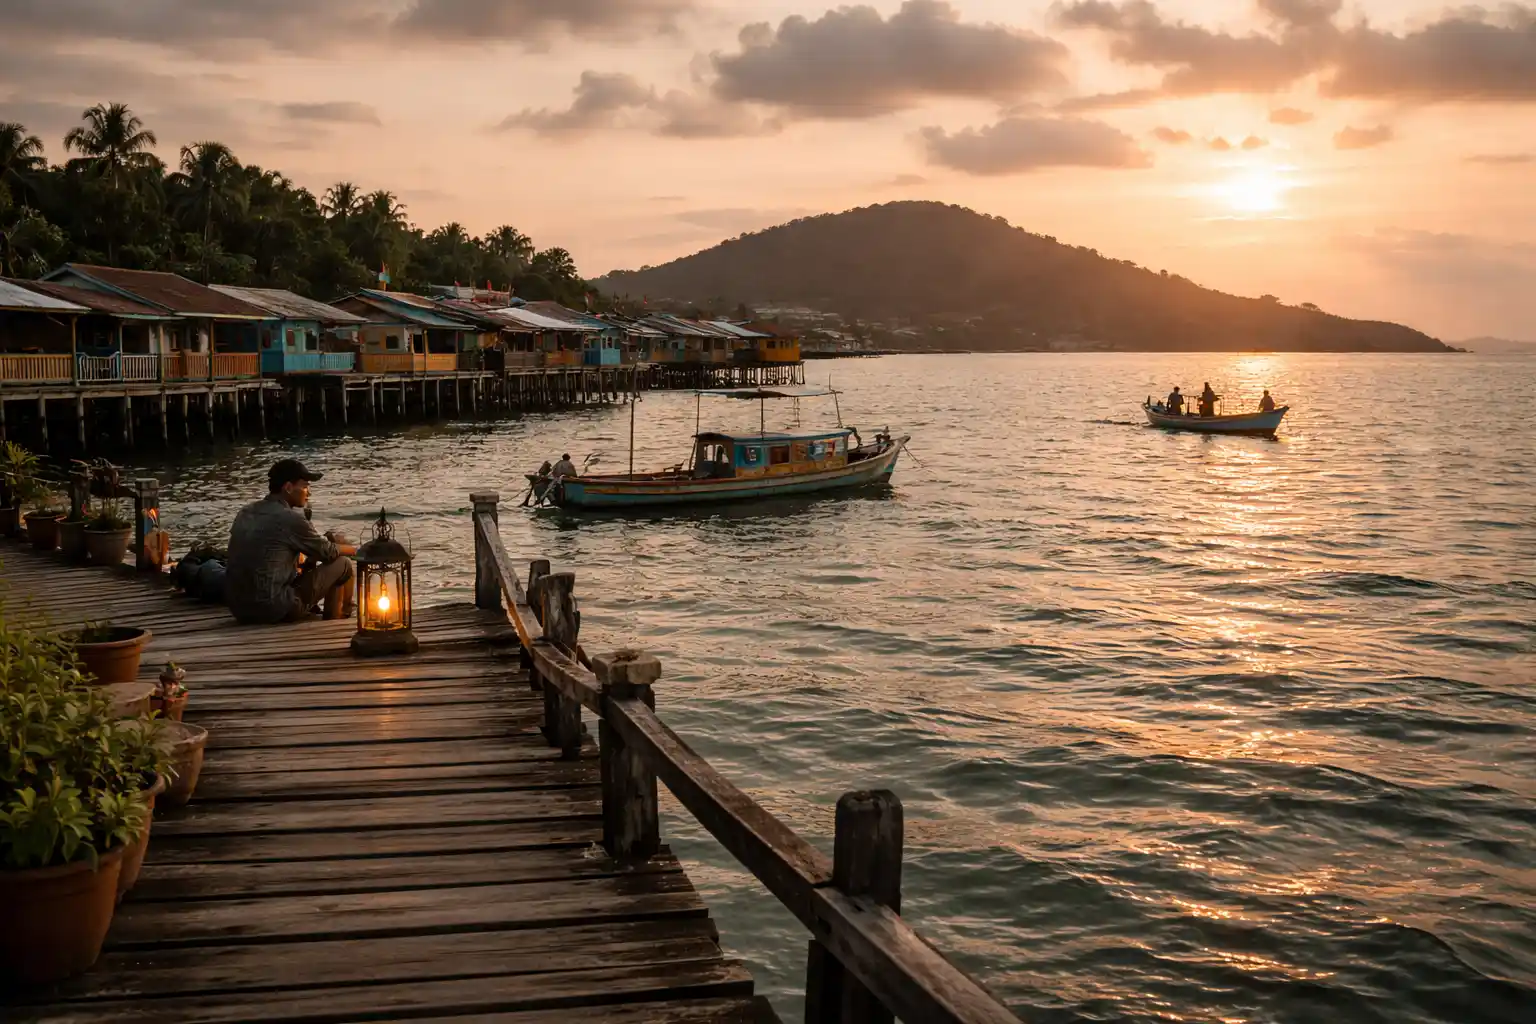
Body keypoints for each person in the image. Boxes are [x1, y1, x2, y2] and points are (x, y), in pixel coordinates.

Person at [226, 459, 357, 624]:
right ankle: (336, 620)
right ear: (288, 488)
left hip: (238, 609)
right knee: (343, 563)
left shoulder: (245, 512)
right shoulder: (289, 518)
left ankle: (338, 614)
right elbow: (328, 552)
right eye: (304, 486)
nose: (308, 493)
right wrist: (355, 550)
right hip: (272, 608)